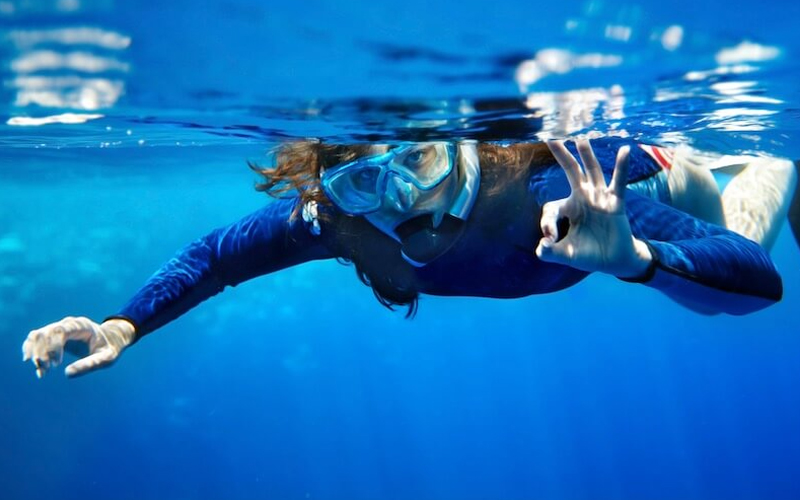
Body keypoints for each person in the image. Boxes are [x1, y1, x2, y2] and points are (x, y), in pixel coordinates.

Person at [22, 138, 795, 379]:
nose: (396, 198)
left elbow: (755, 280)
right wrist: (123, 324)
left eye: (417, 160)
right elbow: (217, 257)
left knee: (742, 236)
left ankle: (774, 163)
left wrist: (637, 257)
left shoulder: (545, 191)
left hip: (654, 176)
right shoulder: (339, 222)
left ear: (460, 142)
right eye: (362, 180)